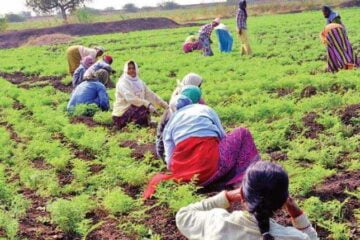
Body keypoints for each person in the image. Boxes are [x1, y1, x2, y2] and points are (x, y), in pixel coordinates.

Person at [144, 87, 260, 198]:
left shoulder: (171, 122)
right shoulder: (205, 109)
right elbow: (222, 135)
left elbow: (169, 161)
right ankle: (240, 180)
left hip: (186, 177)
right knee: (242, 133)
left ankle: (202, 181)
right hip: (211, 167)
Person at [176, 161, 319, 240]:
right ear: (283, 202)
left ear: (242, 195)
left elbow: (183, 215)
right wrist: (297, 213)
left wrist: (228, 196)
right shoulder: (294, 238)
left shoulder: (217, 222)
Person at [156, 73, 205, 161]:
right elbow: (163, 137)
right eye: (198, 86)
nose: (199, 88)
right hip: (171, 147)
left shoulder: (195, 96)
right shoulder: (176, 105)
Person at [112, 60, 168, 129]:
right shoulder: (122, 83)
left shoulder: (139, 82)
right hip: (121, 114)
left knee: (144, 107)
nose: (131, 70)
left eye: (133, 68)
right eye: (129, 68)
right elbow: (130, 98)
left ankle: (143, 123)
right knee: (143, 107)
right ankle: (127, 126)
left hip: (134, 111)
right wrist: (147, 104)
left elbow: (151, 94)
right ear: (125, 70)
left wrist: (165, 106)